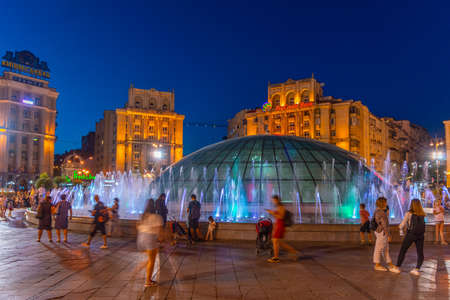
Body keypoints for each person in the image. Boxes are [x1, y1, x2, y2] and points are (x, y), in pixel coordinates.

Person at [391, 199, 426, 276]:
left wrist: (400, 230)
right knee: (420, 252)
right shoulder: (422, 214)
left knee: (403, 250)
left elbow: (402, 224)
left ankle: (397, 267)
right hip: (420, 235)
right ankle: (417, 269)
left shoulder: (409, 213)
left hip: (411, 235)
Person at [137, 199, 163, 287]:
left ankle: (140, 268)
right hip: (150, 238)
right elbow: (159, 232)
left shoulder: (143, 216)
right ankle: (148, 281)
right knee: (152, 261)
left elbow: (137, 226)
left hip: (140, 238)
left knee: (149, 258)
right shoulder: (157, 217)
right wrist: (161, 239)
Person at [266, 195, 300, 263]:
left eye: (274, 200)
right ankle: (294, 252)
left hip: (280, 226)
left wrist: (272, 213)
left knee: (275, 241)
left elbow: (281, 217)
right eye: (273, 200)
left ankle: (276, 258)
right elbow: (278, 218)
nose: (273, 202)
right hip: (278, 225)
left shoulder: (281, 207)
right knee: (280, 243)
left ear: (277, 200)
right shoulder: (279, 207)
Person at [373, 197, 397, 272]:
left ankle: (389, 263)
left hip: (379, 231)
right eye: (385, 202)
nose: (386, 203)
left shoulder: (377, 210)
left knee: (385, 248)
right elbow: (384, 225)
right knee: (379, 248)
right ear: (383, 203)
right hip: (382, 232)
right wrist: (388, 235)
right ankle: (377, 264)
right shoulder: (381, 212)